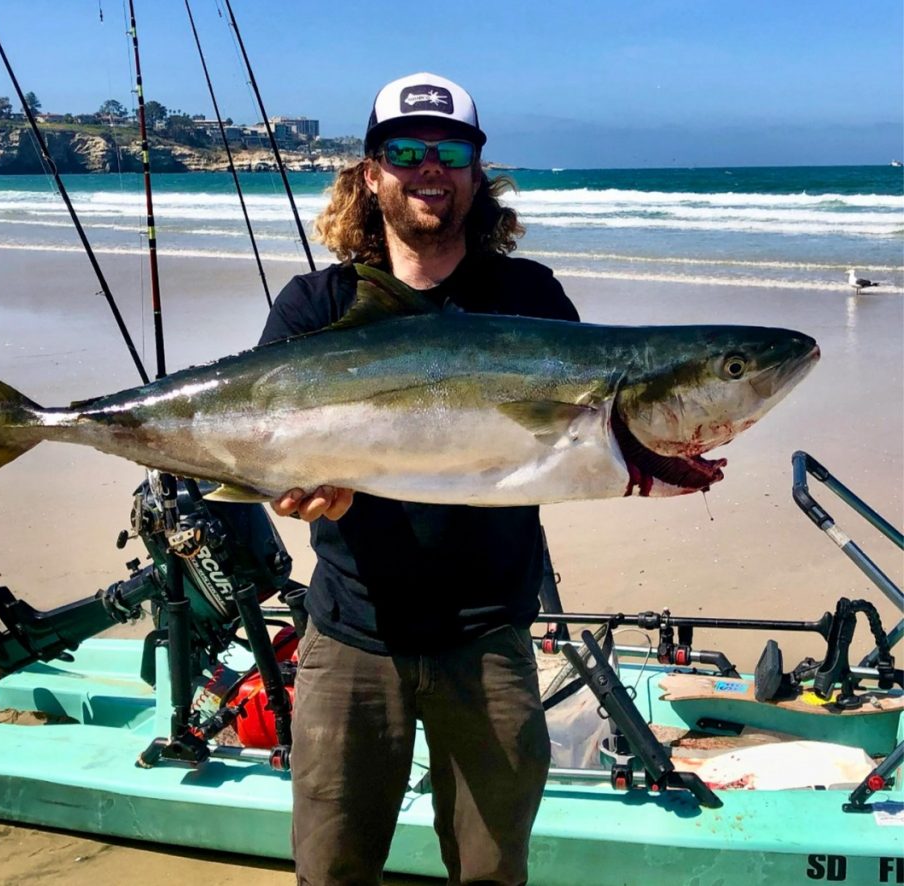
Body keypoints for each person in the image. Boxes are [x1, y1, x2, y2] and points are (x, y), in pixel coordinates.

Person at [258, 72, 580, 886]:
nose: (429, 168)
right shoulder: (315, 306)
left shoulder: (528, 297)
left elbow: (574, 444)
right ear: (371, 173)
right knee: (331, 872)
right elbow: (258, 439)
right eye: (404, 151)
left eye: (452, 151)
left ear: (477, 173)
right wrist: (288, 490)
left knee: (493, 873)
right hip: (351, 634)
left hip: (490, 640)